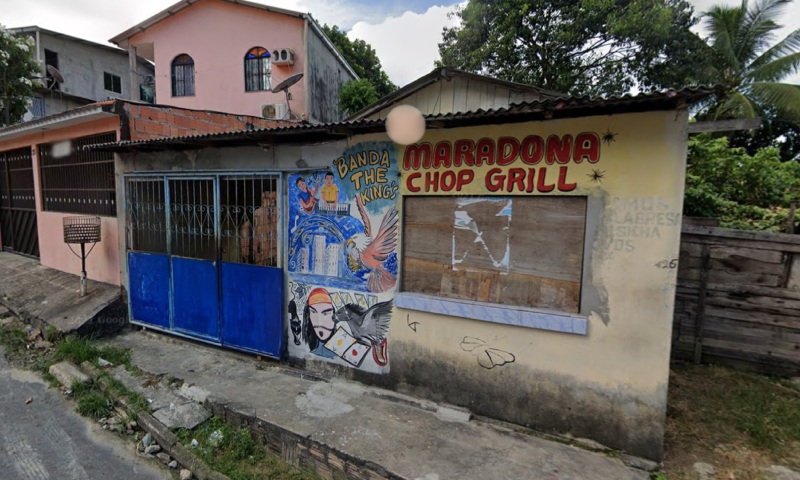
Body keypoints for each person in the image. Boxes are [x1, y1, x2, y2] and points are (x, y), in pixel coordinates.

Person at [253, 190, 277, 266]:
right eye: (268, 199)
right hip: (264, 245)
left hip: (274, 246)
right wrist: (256, 247)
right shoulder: (258, 212)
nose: (271, 202)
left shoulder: (277, 212)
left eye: (273, 199)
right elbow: (256, 230)